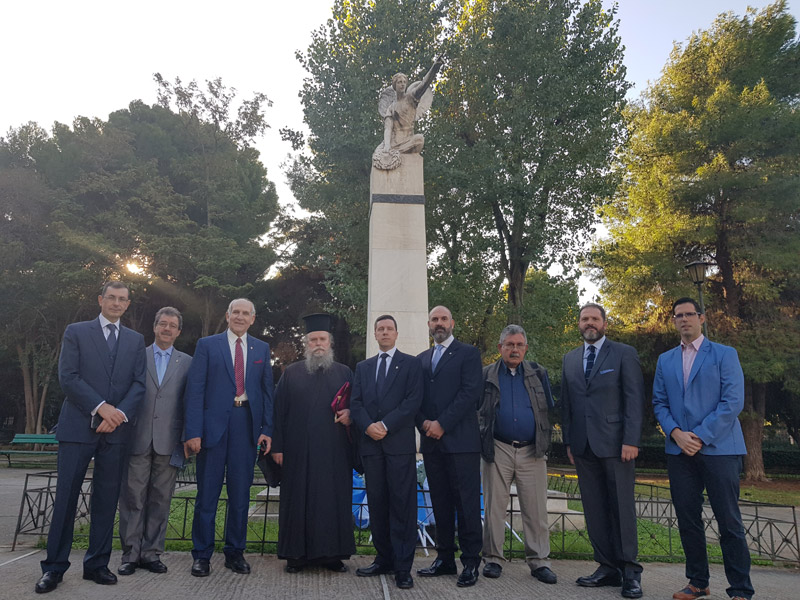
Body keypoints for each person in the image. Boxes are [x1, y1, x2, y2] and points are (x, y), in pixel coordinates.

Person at [36, 281, 146, 594]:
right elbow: (68, 377)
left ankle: (97, 564)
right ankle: (54, 567)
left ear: (127, 304)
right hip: (78, 428)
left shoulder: (135, 340)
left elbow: (139, 383)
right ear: (100, 300)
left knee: (106, 500)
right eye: (111, 297)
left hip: (116, 431)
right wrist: (102, 408)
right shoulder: (76, 332)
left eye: (122, 299)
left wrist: (118, 414)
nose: (116, 303)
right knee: (66, 498)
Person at [652, 298, 753, 600]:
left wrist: (699, 436)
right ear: (674, 321)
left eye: (689, 314)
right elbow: (659, 403)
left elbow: (732, 402)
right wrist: (676, 434)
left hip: (720, 449)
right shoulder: (665, 360)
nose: (684, 319)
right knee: (687, 519)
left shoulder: (725, 354)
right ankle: (698, 582)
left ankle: (740, 589)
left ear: (702, 318)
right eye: (678, 315)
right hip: (679, 451)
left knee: (729, 521)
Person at [183, 298, 273, 578]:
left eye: (246, 313)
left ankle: (235, 552)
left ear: (253, 319)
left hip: (246, 426)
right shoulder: (207, 345)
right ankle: (202, 555)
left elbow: (267, 392)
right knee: (207, 495)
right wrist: (193, 432)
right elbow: (195, 390)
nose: (240, 317)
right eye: (236, 312)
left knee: (240, 495)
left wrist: (267, 428)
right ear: (227, 315)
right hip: (212, 429)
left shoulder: (261, 349)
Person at [560, 303, 644, 599]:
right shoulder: (570, 359)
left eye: (595, 318)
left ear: (604, 323)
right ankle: (607, 566)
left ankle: (630, 571)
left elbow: (634, 399)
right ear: (579, 323)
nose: (590, 323)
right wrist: (569, 442)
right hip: (583, 447)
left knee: (622, 507)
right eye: (585, 319)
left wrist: (631, 440)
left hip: (617, 445)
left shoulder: (623, 354)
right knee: (594, 509)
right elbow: (567, 405)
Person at [271, 313, 355, 573]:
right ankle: (296, 556)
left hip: (334, 452)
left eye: (322, 339)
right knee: (297, 501)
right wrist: (277, 448)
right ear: (306, 344)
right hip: (297, 451)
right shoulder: (291, 373)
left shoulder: (345, 373)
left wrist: (350, 414)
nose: (318, 344)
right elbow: (278, 412)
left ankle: (332, 555)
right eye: (313, 340)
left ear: (330, 343)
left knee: (331, 501)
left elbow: (358, 405)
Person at [478, 324, 557, 585]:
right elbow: (477, 409)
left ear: (525, 348)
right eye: (509, 345)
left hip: (532, 449)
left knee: (536, 509)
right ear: (500, 347)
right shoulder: (487, 374)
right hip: (497, 447)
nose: (514, 349)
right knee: (494, 507)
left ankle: (539, 561)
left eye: (519, 345)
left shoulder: (538, 373)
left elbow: (548, 408)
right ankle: (493, 558)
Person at [117, 307, 191, 576]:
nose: (167, 329)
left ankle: (151, 554)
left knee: (161, 499)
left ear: (178, 331)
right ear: (154, 327)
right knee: (133, 498)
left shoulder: (188, 362)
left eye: (172, 325)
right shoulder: (137, 356)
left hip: (169, 440)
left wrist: (187, 437)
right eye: (163, 324)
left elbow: (190, 402)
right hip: (137, 437)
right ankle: (130, 554)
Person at [351, 315, 423, 589]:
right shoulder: (363, 367)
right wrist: (368, 425)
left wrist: (385, 425)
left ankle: (403, 567)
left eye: (389, 328)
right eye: (380, 329)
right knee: (377, 504)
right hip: (372, 446)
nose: (384, 332)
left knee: (402, 506)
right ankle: (383, 559)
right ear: (375, 333)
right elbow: (356, 403)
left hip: (398, 447)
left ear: (396, 333)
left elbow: (413, 401)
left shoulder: (411, 364)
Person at [415, 305, 483, 587]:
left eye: (444, 319)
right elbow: (414, 398)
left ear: (452, 323)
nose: (439, 323)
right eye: (434, 319)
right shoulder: (421, 359)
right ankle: (444, 558)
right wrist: (423, 423)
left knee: (466, 505)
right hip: (432, 444)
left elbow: (470, 393)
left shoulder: (468, 354)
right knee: (440, 503)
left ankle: (470, 563)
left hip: (461, 443)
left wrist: (442, 423)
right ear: (428, 325)